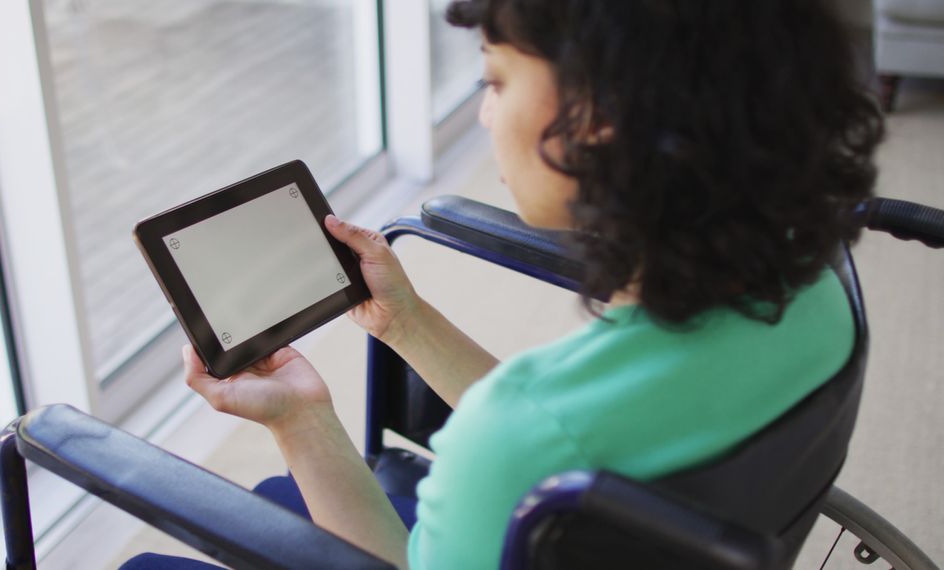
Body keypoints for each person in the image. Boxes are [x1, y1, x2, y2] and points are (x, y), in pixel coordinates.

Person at [124, 0, 883, 568]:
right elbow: (569, 439)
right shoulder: (814, 282)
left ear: (600, 114)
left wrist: (299, 418)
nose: (485, 112)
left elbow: (523, 446)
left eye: (495, 78)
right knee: (276, 503)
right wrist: (405, 321)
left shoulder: (508, 445)